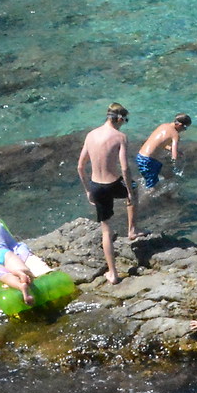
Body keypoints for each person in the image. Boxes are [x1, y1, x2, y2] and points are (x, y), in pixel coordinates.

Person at [75, 103, 137, 283]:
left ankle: (113, 274)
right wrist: (130, 192)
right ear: (118, 119)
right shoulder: (120, 137)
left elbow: (80, 167)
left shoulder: (90, 135)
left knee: (106, 231)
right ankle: (132, 229)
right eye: (125, 120)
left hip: (96, 186)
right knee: (136, 189)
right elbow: (124, 168)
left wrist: (88, 190)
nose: (124, 124)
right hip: (113, 183)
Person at [136, 113, 189, 189]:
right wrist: (176, 163)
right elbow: (174, 156)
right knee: (152, 187)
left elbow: (158, 143)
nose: (184, 130)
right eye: (185, 128)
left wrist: (172, 150)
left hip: (140, 156)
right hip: (148, 161)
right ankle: (148, 199)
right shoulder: (175, 135)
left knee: (161, 171)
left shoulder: (163, 126)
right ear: (180, 125)